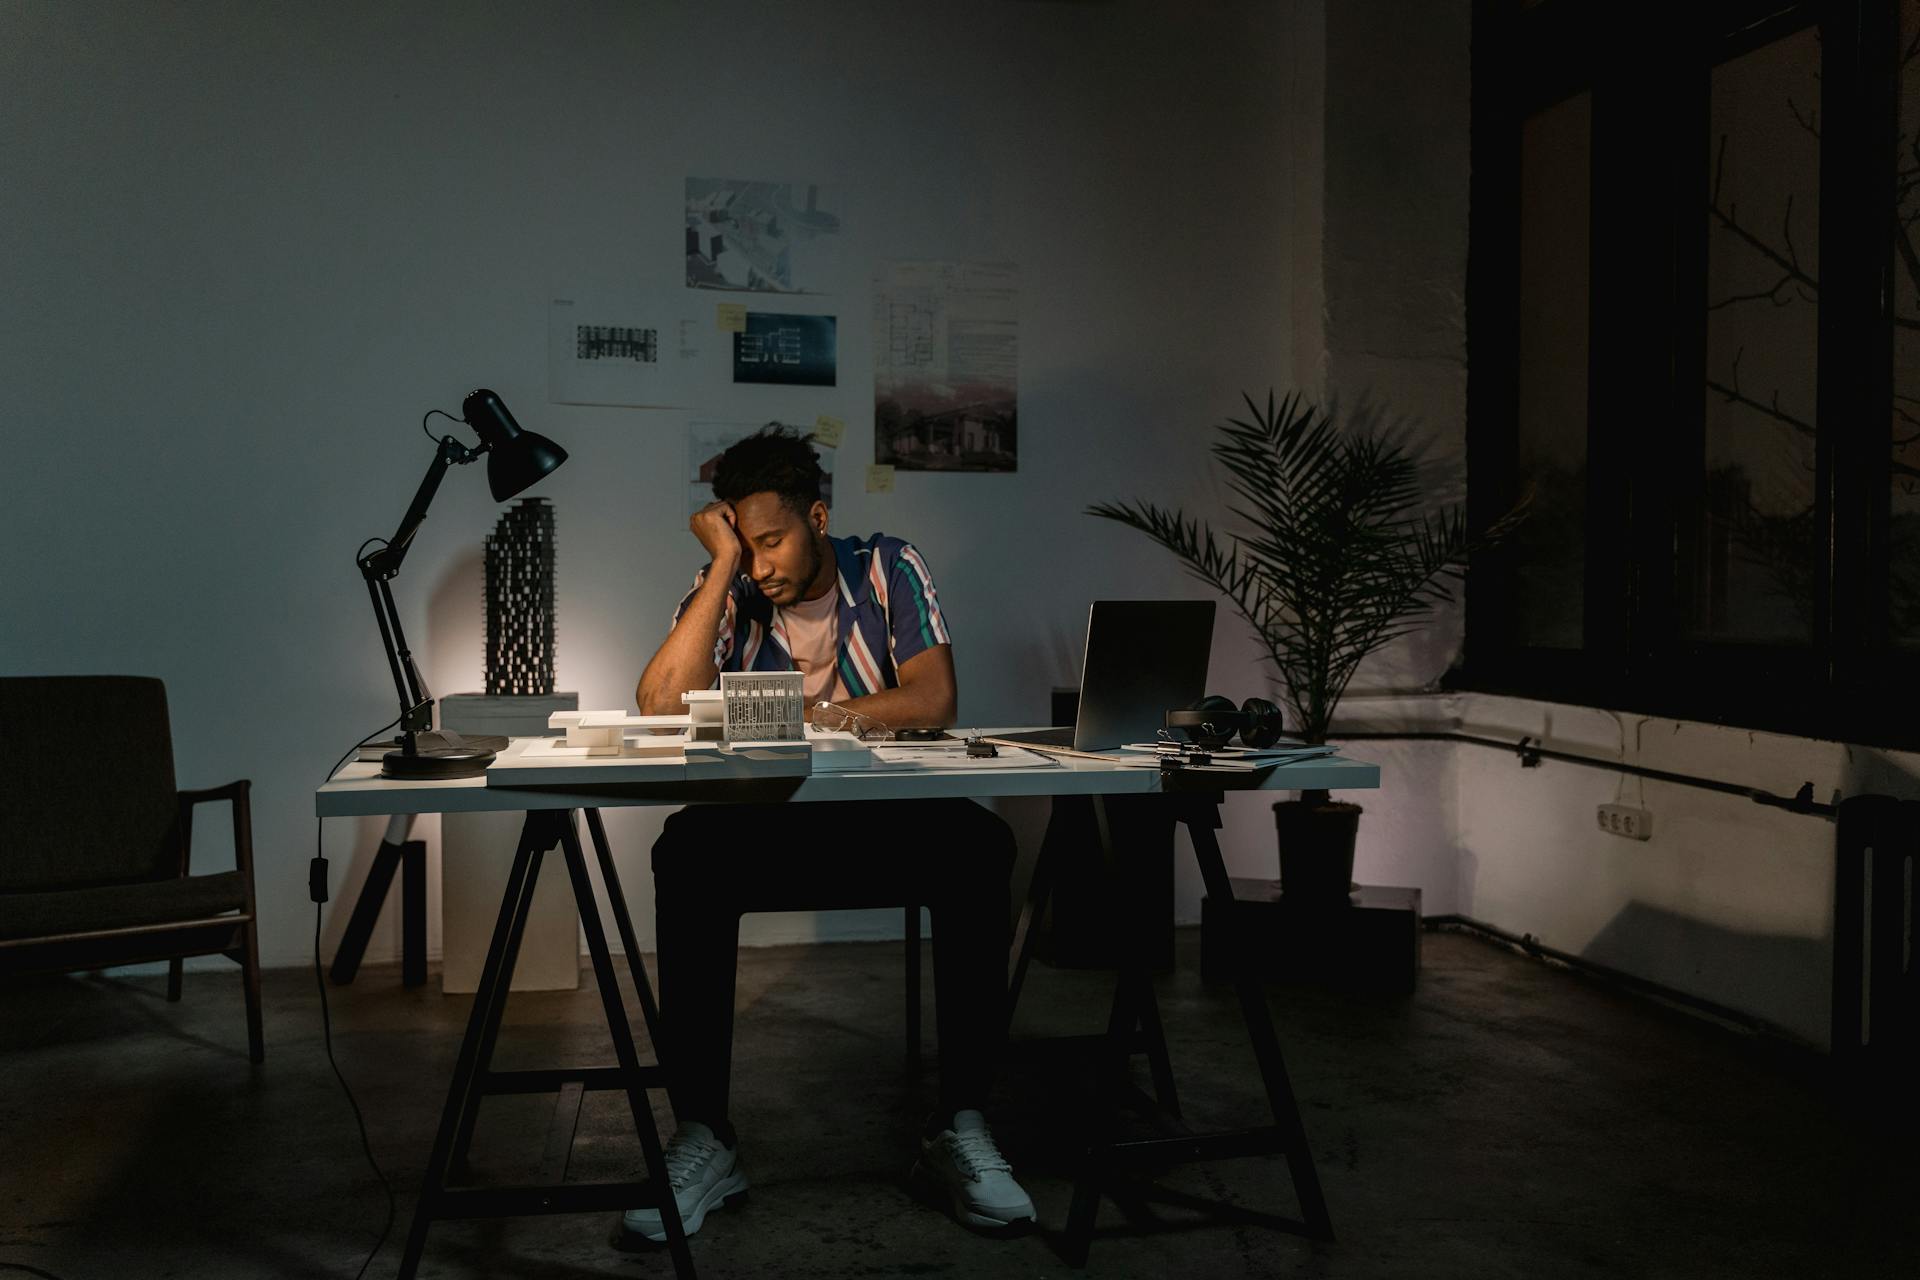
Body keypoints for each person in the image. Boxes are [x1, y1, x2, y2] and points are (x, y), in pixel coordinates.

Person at [627, 425, 1035, 1241]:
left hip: (890, 823)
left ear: (818, 517)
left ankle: (960, 1125)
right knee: (687, 851)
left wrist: (810, 715)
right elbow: (660, 707)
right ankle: (706, 1137)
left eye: (772, 540)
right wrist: (721, 568)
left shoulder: (889, 567)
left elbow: (932, 700)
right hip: (765, 827)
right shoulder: (735, 586)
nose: (763, 562)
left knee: (981, 847)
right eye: (747, 546)